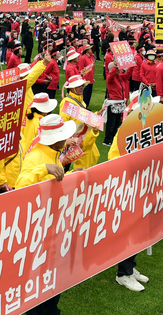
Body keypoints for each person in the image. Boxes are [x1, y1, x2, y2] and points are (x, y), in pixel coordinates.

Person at [16, 115, 77, 314]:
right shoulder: (36, 157)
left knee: (52, 272)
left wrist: (73, 177)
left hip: (51, 221)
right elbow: (21, 186)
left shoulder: (52, 152)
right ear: (54, 139)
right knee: (39, 274)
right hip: (37, 226)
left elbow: (53, 182)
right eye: (63, 136)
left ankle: (51, 309)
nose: (66, 139)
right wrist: (44, 169)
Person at [59, 75, 100, 169]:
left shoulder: (80, 100)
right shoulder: (67, 102)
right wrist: (66, 141)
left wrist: (96, 115)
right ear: (73, 88)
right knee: (71, 169)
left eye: (83, 86)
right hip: (73, 142)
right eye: (80, 86)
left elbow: (82, 117)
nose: (82, 88)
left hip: (81, 140)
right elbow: (62, 124)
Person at [103, 61, 130, 146]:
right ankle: (107, 140)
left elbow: (128, 75)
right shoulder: (110, 79)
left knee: (117, 122)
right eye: (118, 69)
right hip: (113, 103)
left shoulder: (120, 78)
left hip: (120, 103)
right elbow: (111, 75)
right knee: (111, 123)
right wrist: (115, 66)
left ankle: (114, 138)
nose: (120, 71)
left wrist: (132, 66)